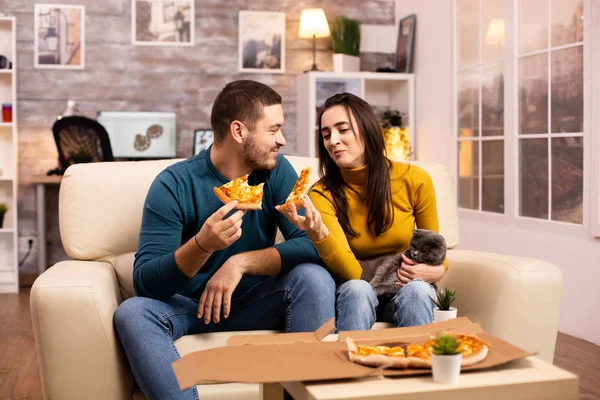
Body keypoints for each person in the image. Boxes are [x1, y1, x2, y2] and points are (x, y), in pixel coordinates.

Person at [114, 80, 336, 400]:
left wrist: (240, 263)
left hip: (256, 302)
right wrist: (202, 246)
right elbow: (145, 281)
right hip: (191, 308)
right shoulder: (174, 184)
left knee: (314, 278)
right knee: (133, 313)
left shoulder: (276, 172)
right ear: (238, 131)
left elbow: (312, 244)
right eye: (273, 130)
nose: (282, 140)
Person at [277, 92, 447, 332]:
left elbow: (435, 249)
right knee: (358, 289)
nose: (333, 140)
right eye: (326, 134)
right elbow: (353, 274)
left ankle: (420, 365)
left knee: (418, 290)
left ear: (367, 129)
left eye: (342, 130)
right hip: (354, 292)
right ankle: (352, 367)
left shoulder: (415, 180)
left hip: (404, 288)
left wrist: (438, 270)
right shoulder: (321, 194)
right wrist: (319, 235)